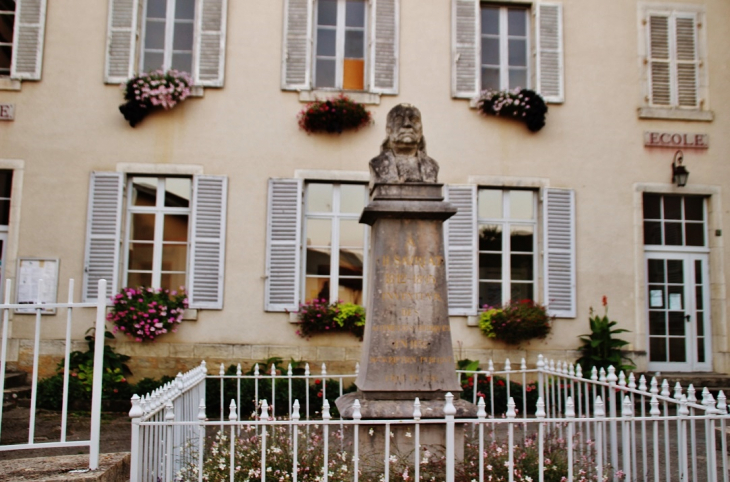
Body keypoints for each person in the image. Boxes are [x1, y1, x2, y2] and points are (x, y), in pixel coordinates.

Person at [369, 104, 439, 190]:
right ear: (388, 130)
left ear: (421, 130)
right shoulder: (377, 164)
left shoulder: (432, 166)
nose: (407, 124)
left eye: (414, 120)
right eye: (398, 120)